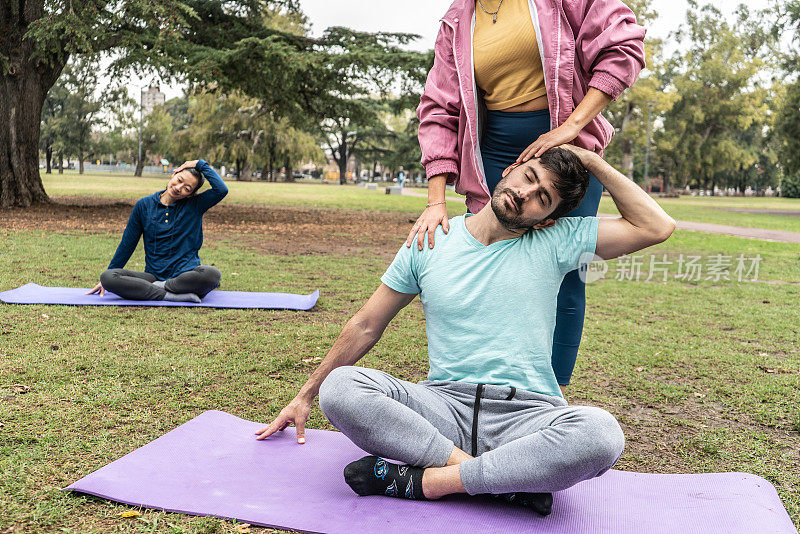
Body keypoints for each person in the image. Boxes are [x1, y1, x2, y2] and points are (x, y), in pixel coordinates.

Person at [256, 146, 675, 514]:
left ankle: (428, 483)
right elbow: (366, 324)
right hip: (443, 408)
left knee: (601, 434)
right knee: (342, 387)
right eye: (529, 177)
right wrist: (305, 394)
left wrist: (588, 158)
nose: (526, 193)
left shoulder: (558, 240)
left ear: (548, 220)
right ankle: (500, 483)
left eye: (542, 198)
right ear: (511, 169)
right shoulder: (430, 239)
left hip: (527, 417)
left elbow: (656, 227)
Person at [408, 0, 646, 393]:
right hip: (493, 147)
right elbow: (439, 107)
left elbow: (622, 49)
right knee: (488, 265)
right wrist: (436, 201)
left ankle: (547, 395)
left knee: (567, 270)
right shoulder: (457, 19)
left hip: (564, 142)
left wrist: (570, 128)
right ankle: (481, 387)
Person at [88, 159, 228, 302]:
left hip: (186, 275)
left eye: (187, 188)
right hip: (153, 276)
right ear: (174, 174)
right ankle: (168, 295)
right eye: (179, 180)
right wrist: (108, 277)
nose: (179, 187)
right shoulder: (144, 205)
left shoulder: (195, 205)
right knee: (108, 277)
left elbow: (221, 190)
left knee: (212, 275)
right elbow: (127, 244)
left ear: (190, 194)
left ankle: (158, 288)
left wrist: (199, 163)